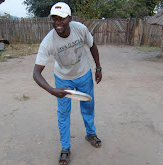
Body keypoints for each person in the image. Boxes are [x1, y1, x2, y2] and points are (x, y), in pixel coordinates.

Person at [33, 2, 102, 165]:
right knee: (63, 113)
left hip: (84, 74)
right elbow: (36, 73)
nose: (58, 23)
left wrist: (98, 68)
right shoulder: (48, 41)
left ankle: (90, 133)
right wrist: (52, 90)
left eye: (62, 19)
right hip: (63, 79)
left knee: (88, 106)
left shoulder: (80, 29)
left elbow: (92, 46)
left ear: (70, 18)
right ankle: (65, 148)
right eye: (54, 19)